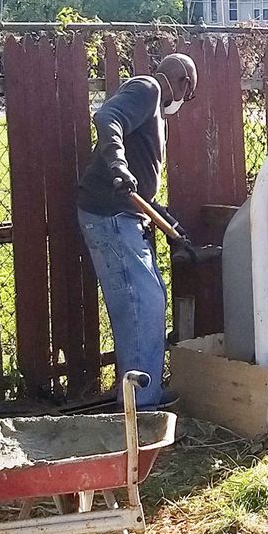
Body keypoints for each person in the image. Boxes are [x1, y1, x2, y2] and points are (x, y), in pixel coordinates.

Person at [76, 52, 198, 411]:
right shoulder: (147, 88)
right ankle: (141, 410)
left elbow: (142, 190)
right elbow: (107, 116)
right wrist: (117, 163)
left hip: (128, 216)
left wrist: (171, 225)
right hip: (110, 215)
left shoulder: (158, 112)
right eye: (188, 95)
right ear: (183, 84)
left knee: (150, 299)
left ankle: (143, 395)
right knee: (140, 306)